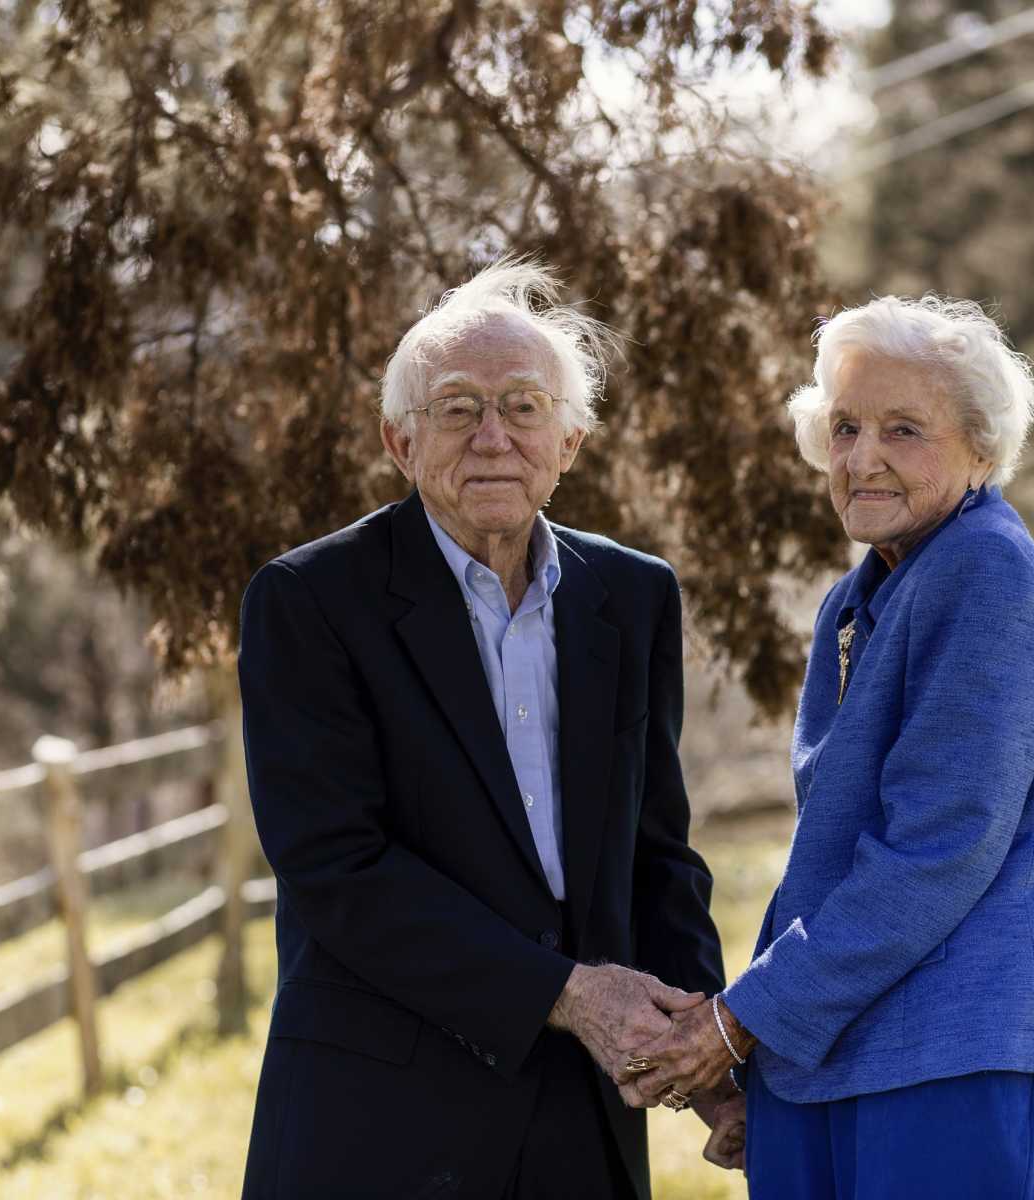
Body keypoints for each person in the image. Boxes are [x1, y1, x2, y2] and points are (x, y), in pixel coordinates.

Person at [237, 258, 726, 1200]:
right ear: (400, 441)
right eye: (457, 408)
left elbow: (655, 851)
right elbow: (336, 867)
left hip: (581, 1128)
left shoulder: (633, 597)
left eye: (524, 407)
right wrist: (567, 995)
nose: (493, 437)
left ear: (570, 442)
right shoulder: (308, 601)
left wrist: (700, 1049)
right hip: (378, 1123)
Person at [618, 294, 1034, 1198]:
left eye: (904, 429)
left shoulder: (985, 571)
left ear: (982, 448)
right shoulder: (861, 593)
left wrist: (741, 1020)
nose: (862, 458)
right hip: (826, 1054)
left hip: (949, 1056)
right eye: (844, 428)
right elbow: (828, 852)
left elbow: (939, 848)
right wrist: (760, 1044)